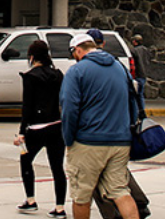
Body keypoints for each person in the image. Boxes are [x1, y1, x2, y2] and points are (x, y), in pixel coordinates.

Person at [60, 33, 140, 219]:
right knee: (120, 191)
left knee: (82, 196)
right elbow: (133, 101)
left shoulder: (77, 71)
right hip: (120, 141)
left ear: (78, 50)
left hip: (88, 142)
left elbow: (69, 109)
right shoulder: (120, 68)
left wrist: (69, 139)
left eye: (74, 54)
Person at [14, 39, 67, 216]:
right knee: (57, 168)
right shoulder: (58, 75)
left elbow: (27, 107)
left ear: (31, 57)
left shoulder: (30, 77)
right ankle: (60, 207)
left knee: (26, 161)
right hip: (56, 126)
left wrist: (22, 132)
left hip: (36, 128)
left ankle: (31, 200)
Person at [130, 34, 150, 102]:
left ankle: (139, 110)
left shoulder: (134, 51)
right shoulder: (146, 50)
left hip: (137, 74)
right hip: (144, 74)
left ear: (135, 42)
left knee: (136, 94)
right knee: (140, 94)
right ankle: (142, 109)